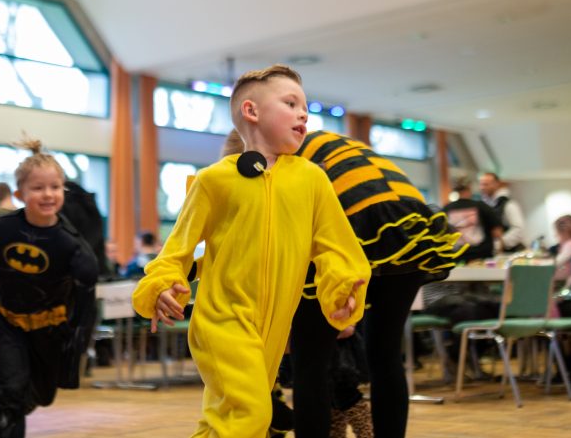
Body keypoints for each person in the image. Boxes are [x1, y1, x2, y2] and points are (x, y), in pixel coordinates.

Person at [131, 64, 370, 437]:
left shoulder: (312, 180)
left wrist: (340, 290)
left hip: (274, 325)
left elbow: (336, 247)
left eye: (304, 106)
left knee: (229, 420)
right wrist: (162, 284)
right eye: (290, 103)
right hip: (221, 319)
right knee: (251, 413)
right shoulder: (214, 181)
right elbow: (176, 250)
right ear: (251, 111)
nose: (303, 113)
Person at [221, 128, 463, 437]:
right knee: (385, 355)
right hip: (407, 224)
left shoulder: (271, 152)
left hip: (356, 221)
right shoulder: (321, 141)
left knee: (310, 361)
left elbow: (283, 225)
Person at [0, 138, 99, 437]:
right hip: (9, 323)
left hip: (51, 330)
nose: (47, 194)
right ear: (19, 193)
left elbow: (86, 299)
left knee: (41, 394)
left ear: (62, 190)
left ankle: (9, 409)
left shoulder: (73, 246)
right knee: (9, 389)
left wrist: (77, 340)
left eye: (54, 187)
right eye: (37, 188)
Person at [443, 179, 502, 261]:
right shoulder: (481, 206)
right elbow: (497, 233)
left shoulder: (447, 209)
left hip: (457, 257)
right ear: (469, 188)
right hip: (481, 256)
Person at [478, 172, 526, 253]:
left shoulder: (509, 204)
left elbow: (518, 230)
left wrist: (499, 244)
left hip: (509, 252)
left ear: (496, 184)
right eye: (481, 184)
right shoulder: (483, 205)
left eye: (486, 184)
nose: (482, 187)